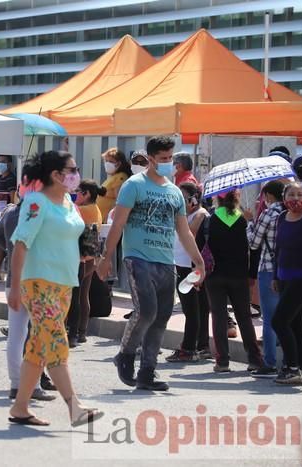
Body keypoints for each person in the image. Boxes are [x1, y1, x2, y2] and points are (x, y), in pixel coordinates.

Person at [97, 135, 205, 391]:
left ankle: (148, 371)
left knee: (162, 316)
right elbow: (119, 223)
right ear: (151, 158)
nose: (168, 162)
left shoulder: (174, 192)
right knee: (146, 310)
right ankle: (125, 353)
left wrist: (199, 262)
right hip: (137, 257)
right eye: (163, 158)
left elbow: (184, 231)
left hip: (165, 260)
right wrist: (106, 258)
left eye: (170, 158)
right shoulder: (133, 185)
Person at [7, 150, 101, 427]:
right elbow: (21, 244)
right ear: (56, 175)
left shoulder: (69, 204)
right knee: (57, 343)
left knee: (39, 346)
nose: (76, 174)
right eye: (71, 169)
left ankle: (20, 406)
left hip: (65, 282)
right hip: (39, 283)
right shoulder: (36, 202)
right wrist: (14, 287)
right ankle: (75, 407)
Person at [0, 182, 55, 402]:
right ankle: (33, 385)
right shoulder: (40, 216)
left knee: (16, 335)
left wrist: (9, 250)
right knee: (36, 335)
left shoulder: (10, 214)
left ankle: (16, 384)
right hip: (36, 279)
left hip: (14, 278)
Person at [204, 189, 263, 373]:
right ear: (236, 197)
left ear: (217, 198)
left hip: (215, 276)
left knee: (219, 318)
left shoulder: (211, 219)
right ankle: (254, 359)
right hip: (239, 276)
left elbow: (201, 246)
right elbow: (253, 249)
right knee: (244, 317)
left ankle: (222, 362)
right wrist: (252, 275)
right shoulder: (243, 220)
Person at [271, 183, 302, 385]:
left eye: (300, 194)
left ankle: (291, 367)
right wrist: (275, 275)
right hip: (284, 278)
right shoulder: (282, 217)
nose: (296, 198)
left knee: (278, 321)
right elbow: (278, 248)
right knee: (296, 326)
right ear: (284, 198)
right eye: (291, 194)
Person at [165, 182, 211, 362]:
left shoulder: (200, 215)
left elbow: (189, 237)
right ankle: (201, 346)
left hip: (193, 267)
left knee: (194, 309)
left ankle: (189, 348)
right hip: (181, 265)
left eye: (184, 198)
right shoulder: (183, 215)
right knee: (194, 308)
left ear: (194, 199)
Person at [244, 180, 285, 377]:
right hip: (287, 271)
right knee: (288, 318)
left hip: (268, 269)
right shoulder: (288, 214)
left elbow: (253, 243)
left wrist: (250, 222)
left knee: (269, 319)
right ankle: (290, 362)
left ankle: (269, 362)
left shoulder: (268, 214)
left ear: (268, 196)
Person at [66, 179, 105, 348]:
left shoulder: (82, 209)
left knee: (76, 296)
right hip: (91, 257)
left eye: (78, 192)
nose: (75, 196)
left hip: (81, 257)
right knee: (83, 295)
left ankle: (73, 331)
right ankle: (82, 332)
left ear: (87, 194)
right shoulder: (95, 209)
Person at [96, 147, 131, 219]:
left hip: (107, 220)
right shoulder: (112, 177)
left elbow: (119, 199)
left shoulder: (121, 177)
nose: (107, 163)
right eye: (106, 161)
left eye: (111, 161)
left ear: (118, 163)